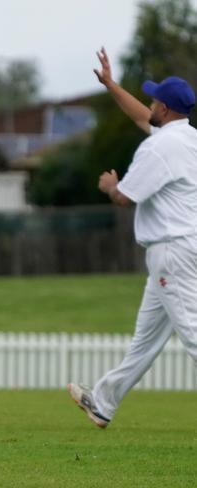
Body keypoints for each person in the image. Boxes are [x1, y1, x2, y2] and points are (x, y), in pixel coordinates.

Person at [68, 48, 197, 429]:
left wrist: (111, 186)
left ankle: (104, 401)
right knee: (145, 342)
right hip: (181, 248)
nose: (151, 103)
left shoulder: (159, 147)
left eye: (156, 99)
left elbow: (126, 198)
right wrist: (110, 85)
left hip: (172, 252)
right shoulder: (186, 138)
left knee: (192, 331)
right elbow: (143, 117)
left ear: (168, 109)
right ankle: (103, 402)